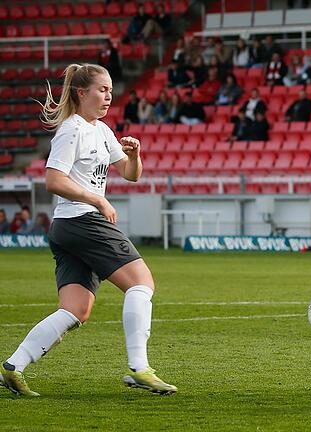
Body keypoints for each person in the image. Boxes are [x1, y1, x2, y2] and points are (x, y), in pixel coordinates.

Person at [0, 63, 177, 397]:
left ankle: (13, 366)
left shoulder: (101, 130)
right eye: (101, 89)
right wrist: (98, 200)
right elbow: (54, 180)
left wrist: (135, 155)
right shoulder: (72, 130)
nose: (108, 95)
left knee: (75, 310)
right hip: (81, 220)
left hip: (69, 227)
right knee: (141, 282)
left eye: (110, 89)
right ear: (82, 93)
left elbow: (130, 174)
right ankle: (140, 368)